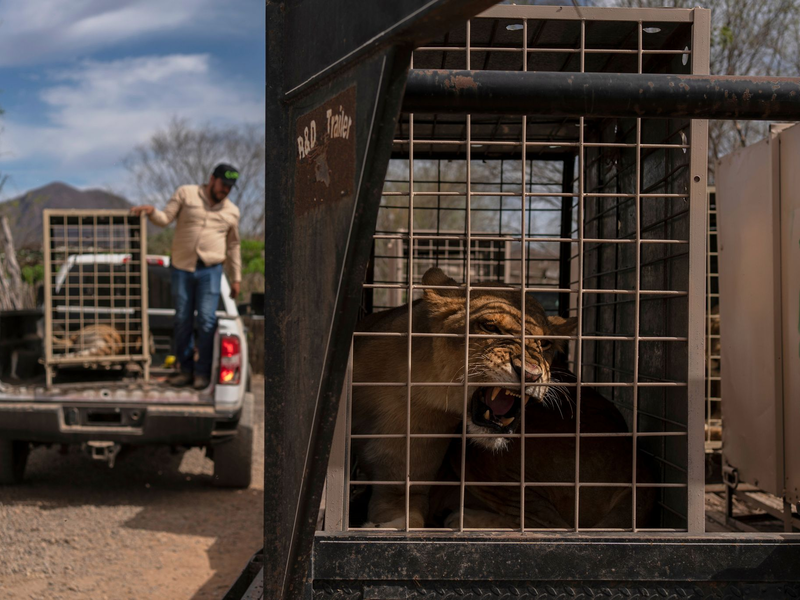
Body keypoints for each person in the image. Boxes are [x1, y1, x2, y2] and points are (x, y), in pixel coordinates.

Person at [131, 164, 242, 390]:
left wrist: (236, 277)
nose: (226, 191)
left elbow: (233, 245)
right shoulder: (186, 193)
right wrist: (152, 212)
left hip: (210, 270)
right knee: (182, 318)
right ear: (212, 179)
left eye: (230, 187)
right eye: (223, 185)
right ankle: (185, 369)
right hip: (182, 267)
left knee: (206, 320)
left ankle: (201, 372)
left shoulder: (232, 211)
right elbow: (165, 218)